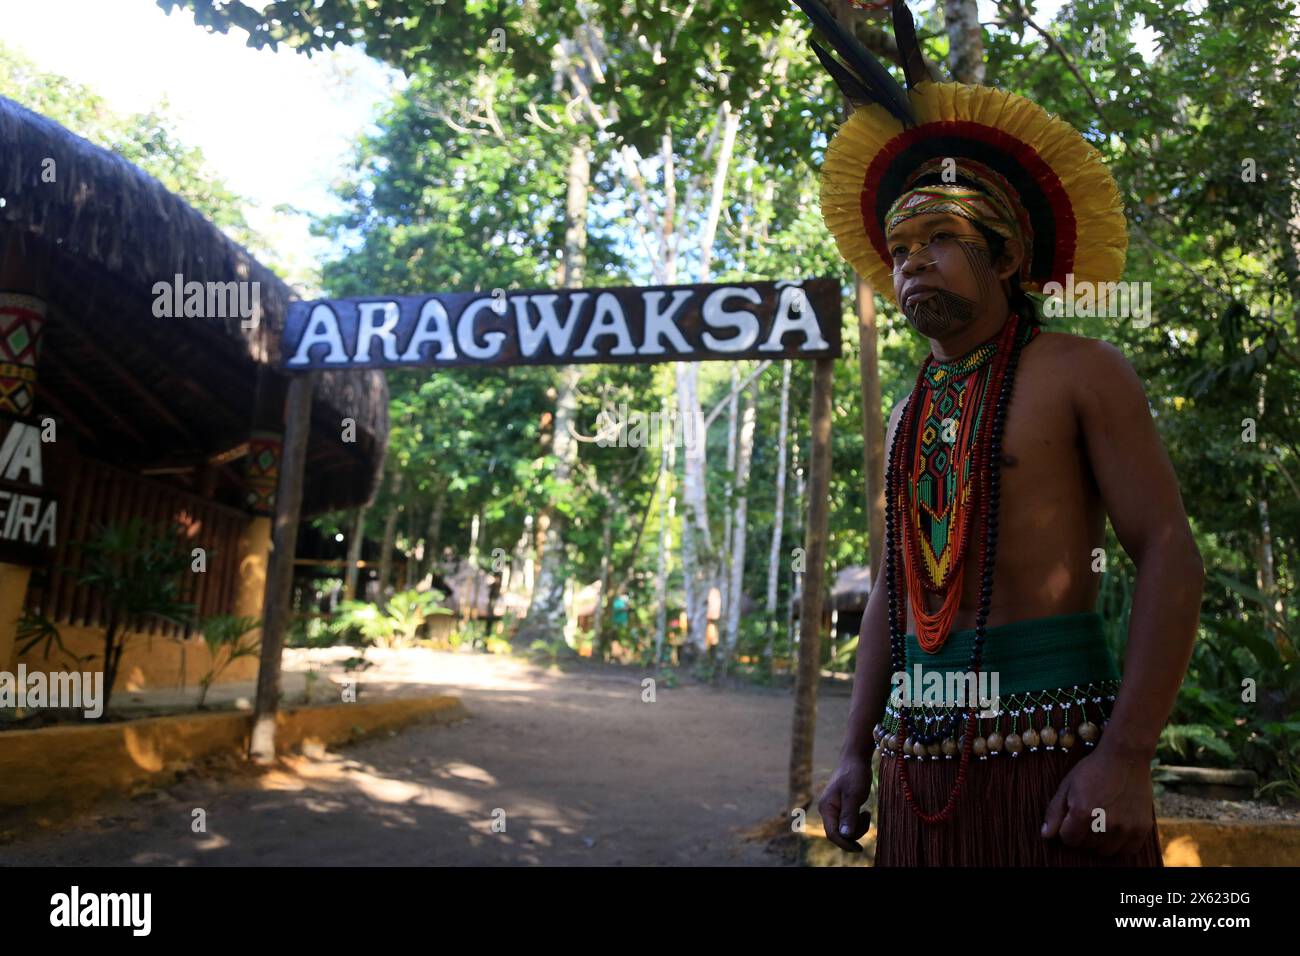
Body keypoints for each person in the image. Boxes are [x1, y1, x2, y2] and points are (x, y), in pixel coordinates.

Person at [793, 0, 1205, 865]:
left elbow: (1168, 546)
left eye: (943, 237)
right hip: (918, 763)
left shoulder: (1082, 370)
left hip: (1057, 754)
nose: (912, 261)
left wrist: (1125, 758)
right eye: (900, 247)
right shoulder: (910, 412)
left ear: (1009, 257)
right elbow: (893, 596)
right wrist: (852, 753)